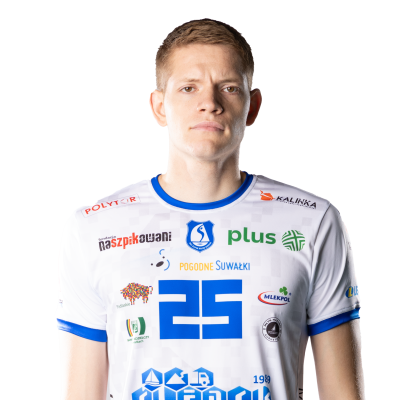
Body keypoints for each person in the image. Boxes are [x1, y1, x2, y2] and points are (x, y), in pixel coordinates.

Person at [56, 18, 364, 400]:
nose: (210, 104)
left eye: (229, 87)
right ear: (159, 107)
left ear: (252, 106)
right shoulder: (94, 228)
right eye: (189, 88)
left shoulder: (313, 221)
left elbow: (343, 394)